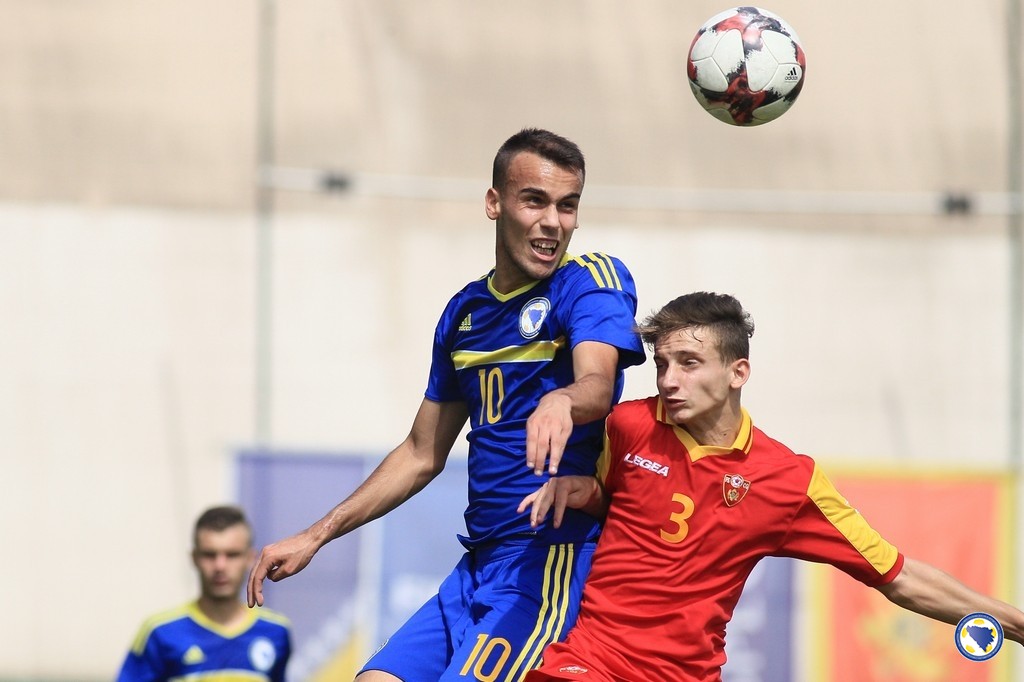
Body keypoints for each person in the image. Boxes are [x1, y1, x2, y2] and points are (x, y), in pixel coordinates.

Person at [246, 128, 646, 681]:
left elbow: (596, 385)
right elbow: (420, 453)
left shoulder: (589, 281)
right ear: (494, 203)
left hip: (547, 559)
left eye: (567, 205)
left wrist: (564, 399)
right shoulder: (465, 313)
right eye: (534, 201)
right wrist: (316, 535)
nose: (553, 222)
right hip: (477, 563)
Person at [518, 291, 1024, 681]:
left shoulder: (789, 481)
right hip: (589, 661)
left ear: (738, 372)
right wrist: (587, 492)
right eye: (663, 364)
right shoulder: (627, 425)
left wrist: (1016, 624)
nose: (669, 380)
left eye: (689, 363)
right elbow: (621, 506)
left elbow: (898, 575)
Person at [117, 505, 291, 682]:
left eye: (232, 555)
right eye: (209, 555)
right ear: (194, 558)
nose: (220, 566)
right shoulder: (160, 631)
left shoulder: (276, 630)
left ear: (250, 558)